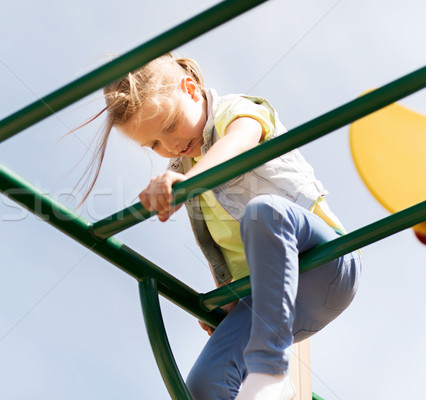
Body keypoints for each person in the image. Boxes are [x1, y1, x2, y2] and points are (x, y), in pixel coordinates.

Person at [75, 53, 361, 400]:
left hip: (326, 264)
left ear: (191, 88)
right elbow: (223, 252)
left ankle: (268, 365)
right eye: (154, 145)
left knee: (263, 213)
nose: (170, 147)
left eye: (168, 126)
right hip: (270, 299)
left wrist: (186, 182)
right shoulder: (187, 173)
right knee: (204, 385)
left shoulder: (233, 112)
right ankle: (264, 381)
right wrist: (226, 308)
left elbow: (240, 141)